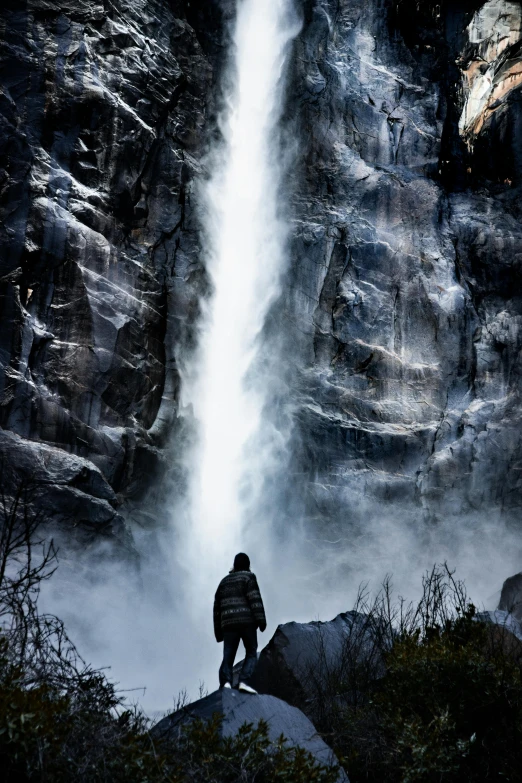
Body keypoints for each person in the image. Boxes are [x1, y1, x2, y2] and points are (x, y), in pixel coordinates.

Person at [213, 552, 267, 694]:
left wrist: (219, 632)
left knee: (228, 656)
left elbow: (216, 608)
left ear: (234, 565)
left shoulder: (224, 582)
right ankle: (243, 681)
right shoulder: (249, 577)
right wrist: (261, 621)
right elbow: (254, 599)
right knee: (251, 652)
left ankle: (225, 684)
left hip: (228, 625)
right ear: (248, 565)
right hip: (246, 623)